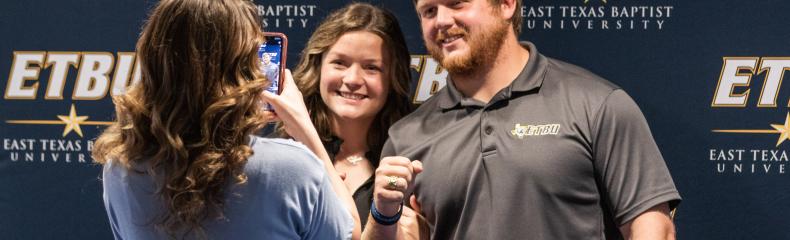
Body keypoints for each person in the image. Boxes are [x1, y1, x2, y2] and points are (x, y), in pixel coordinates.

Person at [365, 0, 682, 239]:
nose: (442, 21)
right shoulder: (406, 138)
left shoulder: (597, 104)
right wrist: (383, 215)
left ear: (505, 4)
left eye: (456, 3)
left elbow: (654, 228)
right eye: (429, 10)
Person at [92, 0, 358, 239]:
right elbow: (351, 233)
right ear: (244, 72)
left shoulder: (121, 168)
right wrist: (305, 129)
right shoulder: (294, 168)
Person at [260, 3, 415, 232]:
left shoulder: (410, 158)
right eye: (339, 63)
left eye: (371, 67)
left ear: (393, 77)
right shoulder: (281, 153)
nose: (352, 78)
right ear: (318, 67)